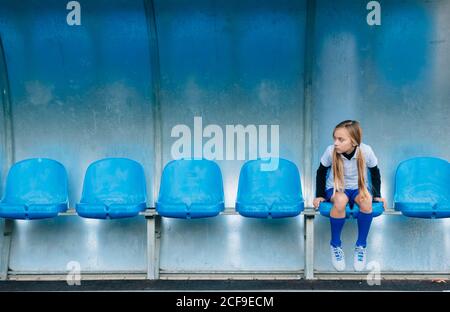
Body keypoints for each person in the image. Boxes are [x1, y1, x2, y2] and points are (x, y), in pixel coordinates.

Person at [313, 120, 386, 271]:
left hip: (359, 188)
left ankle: (361, 246)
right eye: (334, 138)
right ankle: (335, 244)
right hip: (336, 187)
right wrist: (319, 195)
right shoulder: (330, 151)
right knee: (339, 201)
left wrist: (377, 195)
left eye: (341, 139)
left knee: (366, 201)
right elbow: (321, 171)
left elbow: (375, 172)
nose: (336, 143)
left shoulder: (366, 151)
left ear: (353, 141)